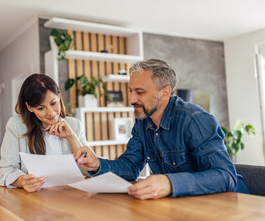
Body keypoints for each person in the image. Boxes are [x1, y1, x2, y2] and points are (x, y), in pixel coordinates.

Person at [75, 59, 249, 199]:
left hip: (232, 205)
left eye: (140, 92)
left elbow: (225, 176)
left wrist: (170, 183)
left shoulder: (194, 119)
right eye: (130, 91)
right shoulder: (143, 122)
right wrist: (97, 164)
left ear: (165, 92)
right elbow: (130, 165)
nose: (131, 99)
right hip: (189, 206)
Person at [0, 73, 88, 192]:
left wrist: (72, 137)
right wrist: (23, 181)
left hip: (70, 196)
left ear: (59, 96)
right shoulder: (16, 126)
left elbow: (91, 169)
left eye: (53, 103)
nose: (50, 112)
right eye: (41, 108)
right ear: (30, 108)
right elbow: (6, 170)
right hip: (33, 200)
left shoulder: (75, 125)